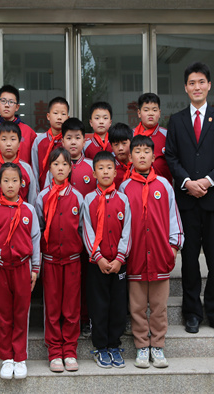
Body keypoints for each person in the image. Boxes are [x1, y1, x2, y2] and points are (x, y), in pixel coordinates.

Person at [165, 61, 214, 335]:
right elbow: (171, 157)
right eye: (192, 83)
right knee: (190, 260)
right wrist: (187, 182)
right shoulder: (177, 120)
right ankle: (192, 313)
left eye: (201, 82)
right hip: (187, 202)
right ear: (186, 87)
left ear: (209, 85)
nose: (197, 87)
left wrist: (207, 181)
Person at [119, 135, 184, 369]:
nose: (142, 155)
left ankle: (157, 345)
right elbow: (122, 223)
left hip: (159, 256)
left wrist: (173, 247)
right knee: (136, 307)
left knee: (159, 307)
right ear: (130, 156)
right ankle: (141, 346)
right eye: (137, 151)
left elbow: (173, 217)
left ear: (154, 156)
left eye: (147, 151)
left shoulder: (164, 185)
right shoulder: (125, 187)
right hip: (136, 257)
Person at [0, 163, 41, 380]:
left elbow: (35, 240)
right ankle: (7, 357)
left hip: (22, 267)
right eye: (6, 181)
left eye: (14, 181)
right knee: (4, 313)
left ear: (21, 184)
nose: (10, 185)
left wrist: (35, 268)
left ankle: (20, 357)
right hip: (0, 268)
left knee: (21, 313)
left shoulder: (29, 210)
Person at [44, 117, 96, 338]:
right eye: (69, 138)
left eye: (77, 138)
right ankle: (57, 329)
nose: (73, 142)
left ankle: (84, 319)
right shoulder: (54, 167)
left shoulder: (92, 166)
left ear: (84, 140)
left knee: (84, 283)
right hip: (58, 242)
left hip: (87, 235)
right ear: (62, 140)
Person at [35, 147, 84, 373]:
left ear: (71, 168)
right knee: (53, 308)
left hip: (73, 260)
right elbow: (38, 229)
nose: (61, 168)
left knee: (71, 308)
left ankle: (70, 350)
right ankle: (55, 351)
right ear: (50, 169)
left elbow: (82, 228)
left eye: (65, 164)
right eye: (56, 164)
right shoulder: (42, 197)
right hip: (50, 260)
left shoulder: (78, 197)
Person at [81, 151, 132, 368]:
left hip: (119, 264)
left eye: (109, 168)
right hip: (97, 264)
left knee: (118, 306)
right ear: (94, 173)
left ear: (115, 171)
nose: (105, 172)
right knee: (99, 306)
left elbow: (127, 230)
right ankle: (100, 346)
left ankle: (114, 345)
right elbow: (87, 230)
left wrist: (120, 258)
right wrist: (98, 257)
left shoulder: (123, 199)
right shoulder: (89, 200)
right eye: (100, 168)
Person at [0, 121, 38, 209]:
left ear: (19, 143)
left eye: (13, 139)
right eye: (4, 139)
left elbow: (33, 200)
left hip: (22, 216)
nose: (8, 144)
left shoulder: (26, 168)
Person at [0, 85, 37, 169]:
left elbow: (35, 164)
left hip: (22, 176)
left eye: (11, 102)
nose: (7, 105)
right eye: (3, 101)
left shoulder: (28, 132)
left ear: (17, 107)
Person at [31, 96, 69, 189]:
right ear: (48, 116)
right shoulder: (39, 141)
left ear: (68, 117)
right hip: (43, 192)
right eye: (55, 113)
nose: (59, 117)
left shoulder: (69, 141)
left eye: (63, 114)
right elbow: (35, 170)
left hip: (66, 192)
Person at [133, 93, 171, 182]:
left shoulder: (168, 135)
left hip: (162, 186)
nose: (150, 113)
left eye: (154, 110)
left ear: (159, 113)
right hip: (136, 185)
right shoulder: (131, 135)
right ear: (139, 113)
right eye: (146, 110)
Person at [108, 122, 133, 189]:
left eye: (124, 143)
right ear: (111, 146)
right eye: (116, 144)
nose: (120, 148)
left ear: (131, 143)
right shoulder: (109, 167)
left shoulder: (137, 164)